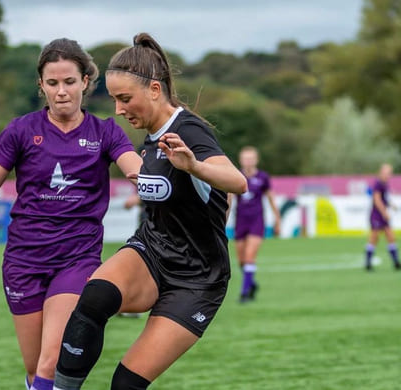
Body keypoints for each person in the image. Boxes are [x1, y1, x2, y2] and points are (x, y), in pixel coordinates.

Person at [53, 33, 247, 390]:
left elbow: (237, 182)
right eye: (113, 99)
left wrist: (195, 167)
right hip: (152, 251)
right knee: (94, 298)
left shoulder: (188, 130)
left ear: (155, 90)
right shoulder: (152, 134)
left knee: (125, 385)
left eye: (125, 99)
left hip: (197, 279)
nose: (118, 110)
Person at [0, 38, 142, 390]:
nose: (61, 91)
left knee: (51, 362)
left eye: (70, 82)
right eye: (52, 83)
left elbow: (134, 168)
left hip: (76, 259)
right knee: (34, 369)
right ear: (41, 86)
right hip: (23, 260)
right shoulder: (21, 130)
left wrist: (151, 177)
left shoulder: (105, 132)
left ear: (86, 83)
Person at [230, 146, 281, 303]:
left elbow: (271, 198)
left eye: (251, 158)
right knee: (241, 260)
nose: (248, 161)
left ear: (256, 160)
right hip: (240, 221)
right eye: (246, 158)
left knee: (250, 257)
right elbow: (229, 197)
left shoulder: (263, 177)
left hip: (257, 221)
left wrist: (277, 219)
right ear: (241, 160)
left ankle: (244, 293)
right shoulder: (236, 176)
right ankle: (251, 283)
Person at [365, 163, 401, 271]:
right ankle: (368, 263)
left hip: (382, 215)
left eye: (390, 173)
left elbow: (385, 199)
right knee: (374, 238)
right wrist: (384, 213)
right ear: (381, 172)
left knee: (391, 236)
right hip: (377, 215)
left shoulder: (385, 184)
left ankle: (396, 262)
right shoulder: (378, 184)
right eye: (387, 173)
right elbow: (377, 200)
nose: (389, 175)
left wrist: (392, 205)